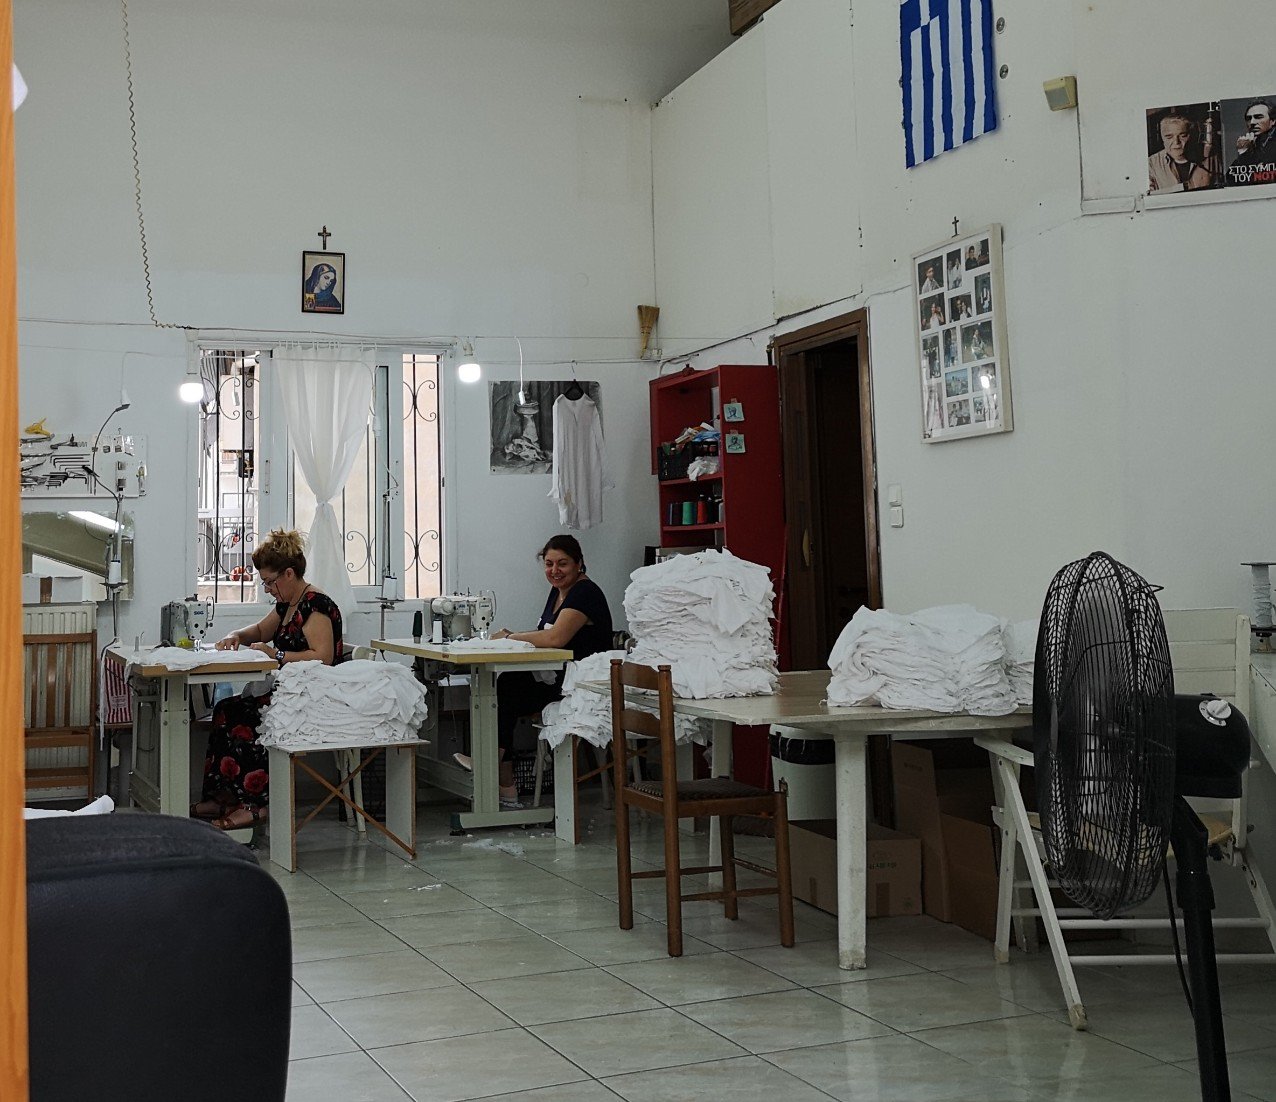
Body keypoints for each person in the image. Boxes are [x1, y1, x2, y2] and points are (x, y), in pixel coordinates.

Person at [195, 528, 343, 830]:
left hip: (311, 697)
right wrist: (235, 635)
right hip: (288, 693)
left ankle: (255, 806)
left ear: (289, 573)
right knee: (225, 709)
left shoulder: (316, 606)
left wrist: (276, 656)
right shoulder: (288, 605)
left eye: (270, 582)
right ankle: (224, 796)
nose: (268, 589)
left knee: (246, 718)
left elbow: (323, 657)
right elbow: (262, 631)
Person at [456, 535, 612, 808]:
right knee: (501, 684)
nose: (554, 571)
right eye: (549, 564)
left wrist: (509, 637)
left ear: (579, 564)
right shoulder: (558, 591)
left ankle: (493, 767)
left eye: (562, 564)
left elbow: (555, 639)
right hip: (558, 673)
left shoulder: (585, 592)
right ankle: (503, 780)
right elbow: (544, 634)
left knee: (505, 689)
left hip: (581, 682)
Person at [1148, 112, 1214, 193]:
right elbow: (1148, 197)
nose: (1176, 142)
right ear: (1162, 138)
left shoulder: (1210, 159)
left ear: (1191, 136)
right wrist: (1187, 187)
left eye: (1183, 136)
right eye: (1169, 137)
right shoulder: (1151, 164)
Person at [1229, 100, 1276, 181]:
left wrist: (1245, 155)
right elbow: (1231, 180)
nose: (1252, 122)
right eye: (1248, 118)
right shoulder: (1253, 143)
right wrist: (1243, 153)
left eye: (1258, 117)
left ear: (1273, 121)